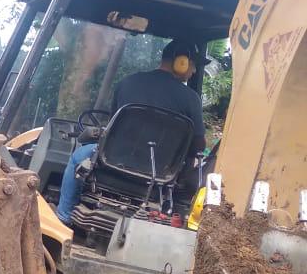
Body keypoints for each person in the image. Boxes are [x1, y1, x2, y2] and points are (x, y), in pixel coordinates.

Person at [56, 40, 206, 225]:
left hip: (113, 161)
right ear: (180, 61)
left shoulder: (128, 82)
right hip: (160, 174)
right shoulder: (191, 99)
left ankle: (64, 218)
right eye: (193, 65)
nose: (194, 71)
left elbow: (111, 129)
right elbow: (199, 146)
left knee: (79, 155)